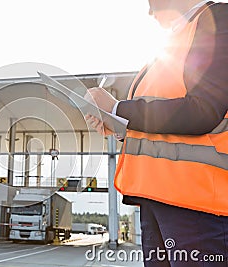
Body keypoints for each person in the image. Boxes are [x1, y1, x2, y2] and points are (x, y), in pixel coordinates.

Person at [85, 1, 228, 266]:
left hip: (197, 203)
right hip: (156, 201)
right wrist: (115, 123)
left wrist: (117, 107)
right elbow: (159, 125)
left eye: (152, 2)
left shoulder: (218, 17)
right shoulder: (168, 47)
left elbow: (204, 110)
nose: (150, 12)